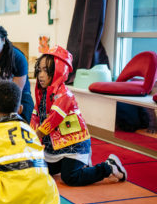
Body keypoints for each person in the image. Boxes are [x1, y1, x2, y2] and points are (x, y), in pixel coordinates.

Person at [31, 46, 127, 186]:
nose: (40, 74)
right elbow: (35, 115)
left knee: (70, 178)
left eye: (46, 70)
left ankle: (109, 166)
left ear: (58, 71)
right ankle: (73, 165)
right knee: (38, 169)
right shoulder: (43, 93)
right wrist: (29, 134)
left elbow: (53, 119)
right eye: (39, 69)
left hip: (74, 145)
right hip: (54, 147)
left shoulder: (65, 95)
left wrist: (35, 135)